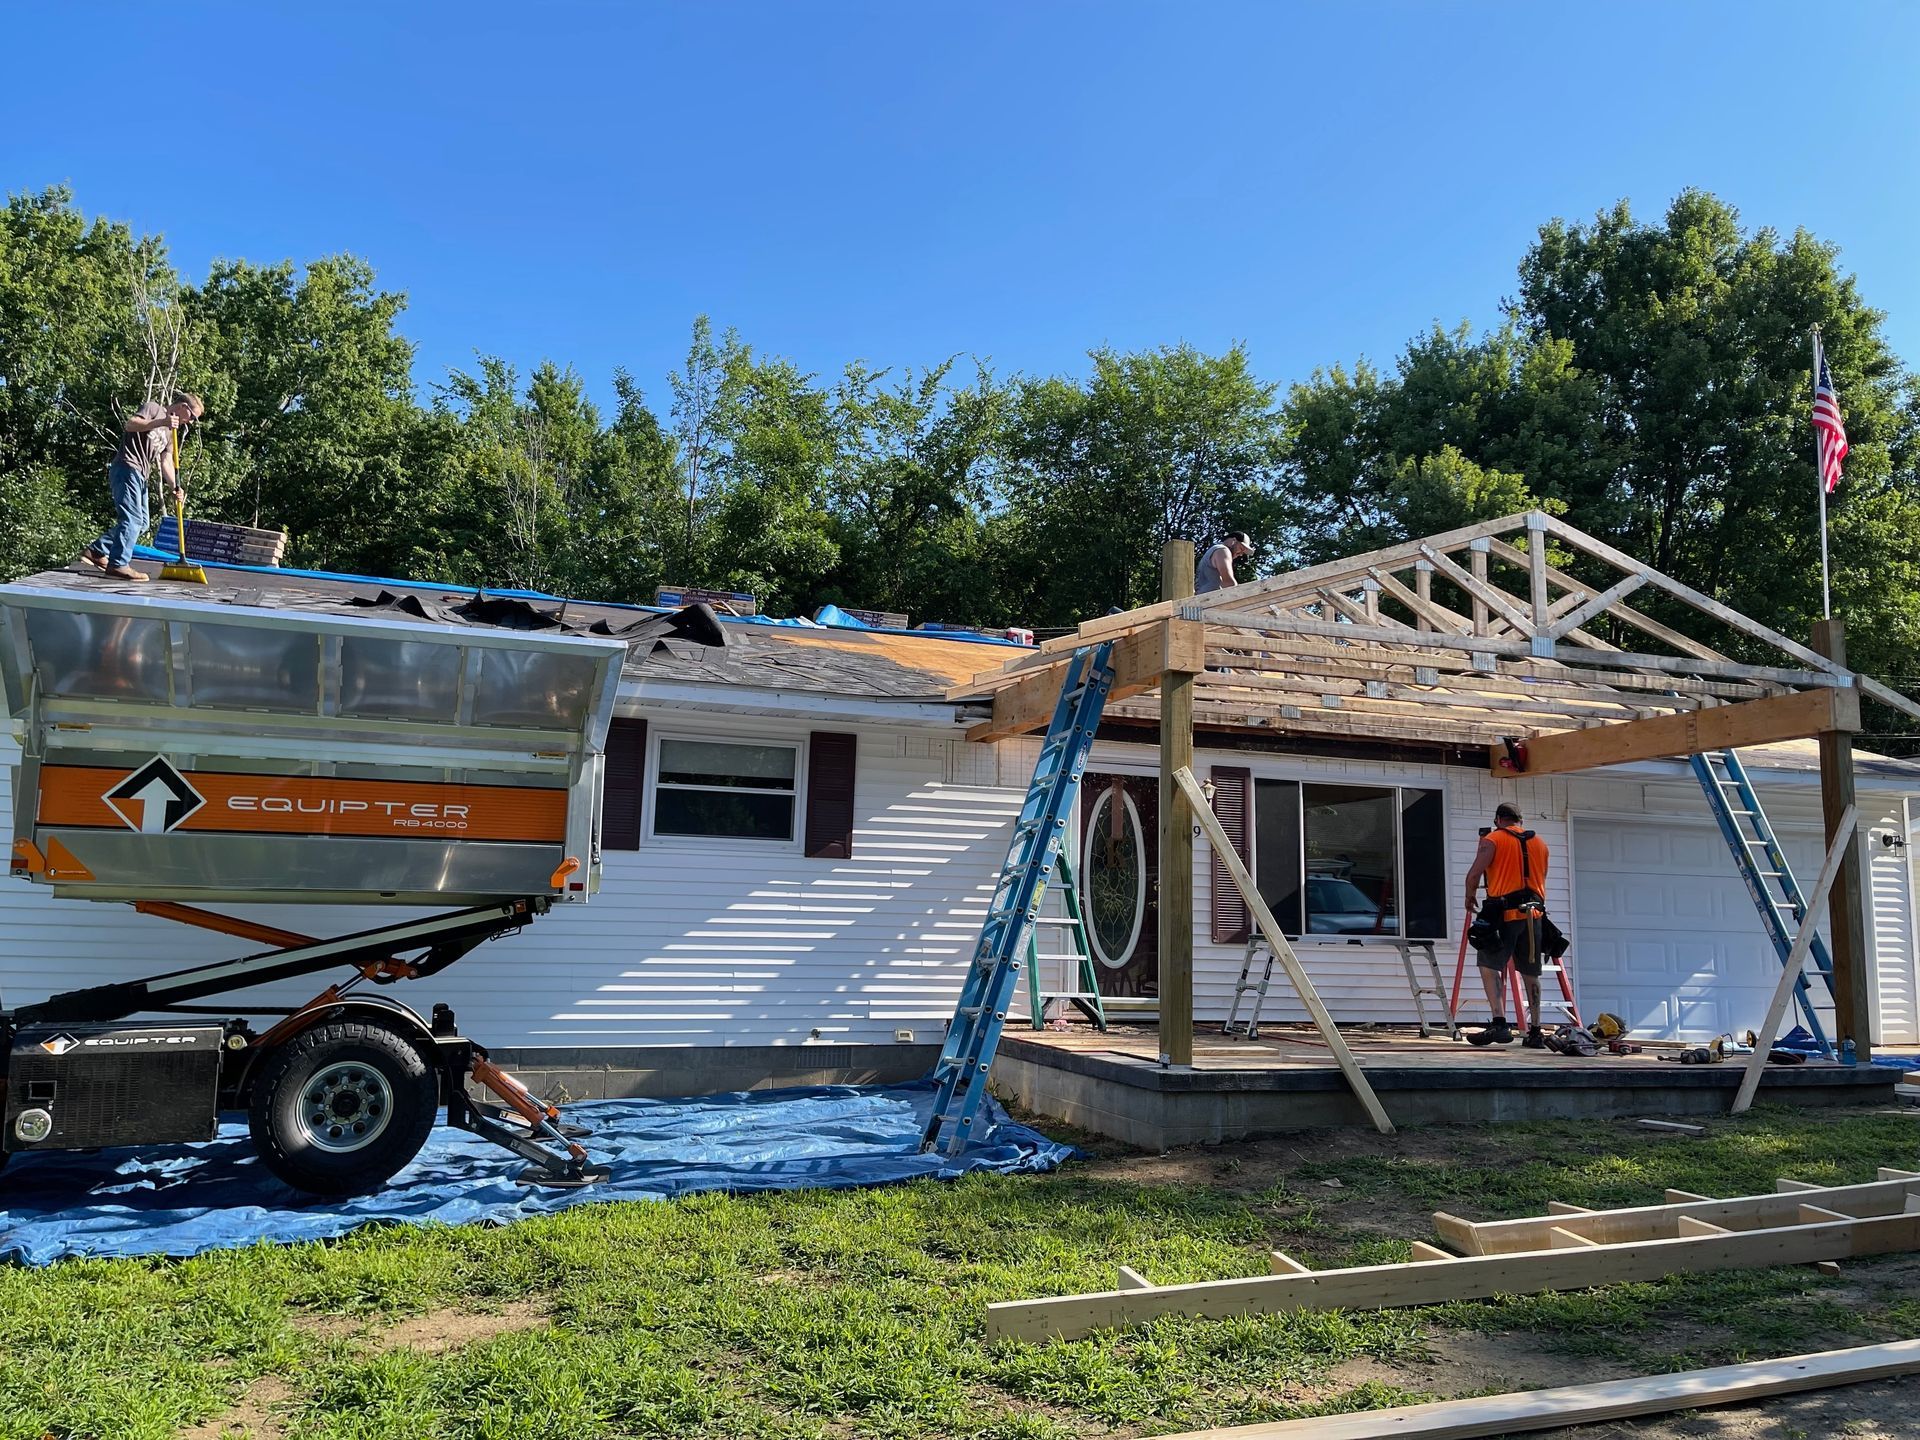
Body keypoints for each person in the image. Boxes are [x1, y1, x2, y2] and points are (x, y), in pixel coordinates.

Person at [81, 392, 204, 582]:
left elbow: (166, 462)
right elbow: (130, 424)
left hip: (141, 475)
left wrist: (175, 486)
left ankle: (97, 551)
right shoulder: (154, 409)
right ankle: (118, 565)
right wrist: (161, 422)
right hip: (127, 466)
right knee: (132, 519)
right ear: (182, 407)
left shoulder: (171, 433)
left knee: (143, 522)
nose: (190, 422)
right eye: (192, 417)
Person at [1461, 802, 1550, 1048]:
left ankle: (1499, 1023)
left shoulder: (1493, 839)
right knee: (1530, 973)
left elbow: (1473, 875)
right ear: (1520, 820)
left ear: (1499, 819)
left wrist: (1470, 896)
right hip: (1534, 916)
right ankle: (1535, 1032)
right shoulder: (1540, 844)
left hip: (1503, 912)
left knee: (1489, 964)